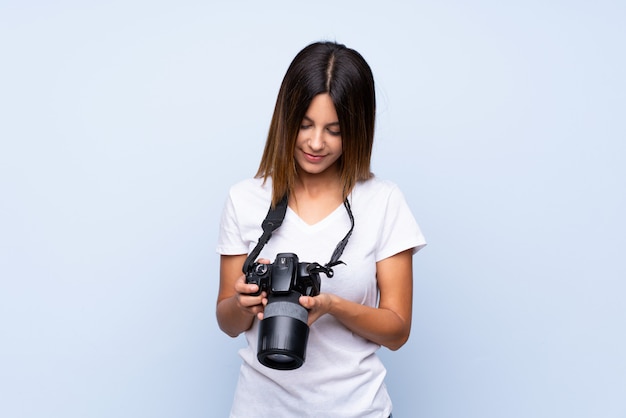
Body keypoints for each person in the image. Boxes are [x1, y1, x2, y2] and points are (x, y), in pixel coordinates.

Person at [216, 41, 426, 418]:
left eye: (334, 130)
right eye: (305, 125)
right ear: (286, 119)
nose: (316, 143)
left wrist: (330, 305)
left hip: (358, 409)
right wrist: (242, 302)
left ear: (357, 129)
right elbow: (227, 322)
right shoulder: (245, 199)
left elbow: (397, 331)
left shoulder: (383, 201)